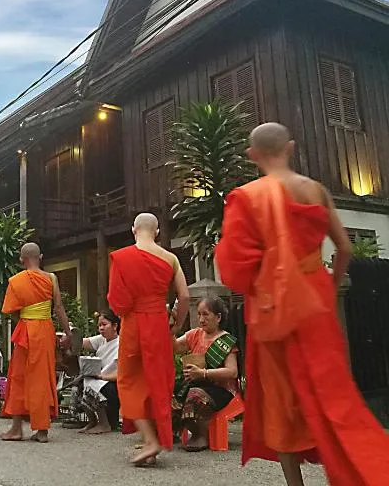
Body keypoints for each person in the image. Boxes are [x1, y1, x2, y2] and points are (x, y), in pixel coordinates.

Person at [215, 122, 389, 486]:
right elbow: (344, 248)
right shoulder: (315, 190)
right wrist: (326, 288)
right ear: (290, 147)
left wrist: (267, 281)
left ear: (252, 156)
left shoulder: (247, 196)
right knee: (332, 394)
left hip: (270, 308)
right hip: (315, 305)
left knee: (281, 402)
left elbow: (232, 269)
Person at [108, 213, 190, 466]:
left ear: (134, 229)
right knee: (157, 379)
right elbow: (185, 296)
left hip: (133, 323)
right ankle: (152, 441)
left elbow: (118, 302)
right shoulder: (170, 258)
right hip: (158, 322)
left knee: (129, 382)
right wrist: (177, 324)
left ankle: (150, 440)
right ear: (157, 232)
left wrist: (129, 312)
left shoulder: (121, 258)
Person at [0, 242, 72, 444]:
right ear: (40, 257)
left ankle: (16, 428)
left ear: (21, 260)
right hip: (45, 329)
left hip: (25, 331)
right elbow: (58, 308)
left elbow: (12, 311)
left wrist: (25, 320)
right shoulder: (51, 278)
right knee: (42, 377)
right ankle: (42, 430)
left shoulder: (16, 281)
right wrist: (68, 333)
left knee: (18, 376)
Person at [172, 296, 239, 451]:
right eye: (199, 314)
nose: (201, 319)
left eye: (205, 314)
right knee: (171, 394)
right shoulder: (195, 334)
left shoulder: (225, 340)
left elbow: (232, 371)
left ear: (218, 317)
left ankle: (201, 435)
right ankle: (187, 431)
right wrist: (171, 329)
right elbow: (175, 348)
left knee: (195, 395)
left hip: (220, 390)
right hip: (196, 383)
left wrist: (203, 373)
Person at [72, 309, 120, 435]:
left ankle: (104, 424)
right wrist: (69, 334)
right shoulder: (101, 340)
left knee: (92, 384)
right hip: (99, 378)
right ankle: (92, 421)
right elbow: (83, 342)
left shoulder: (121, 344)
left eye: (104, 325)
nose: (101, 328)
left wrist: (101, 377)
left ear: (115, 326)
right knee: (79, 382)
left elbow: (121, 374)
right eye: (99, 325)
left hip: (112, 384)